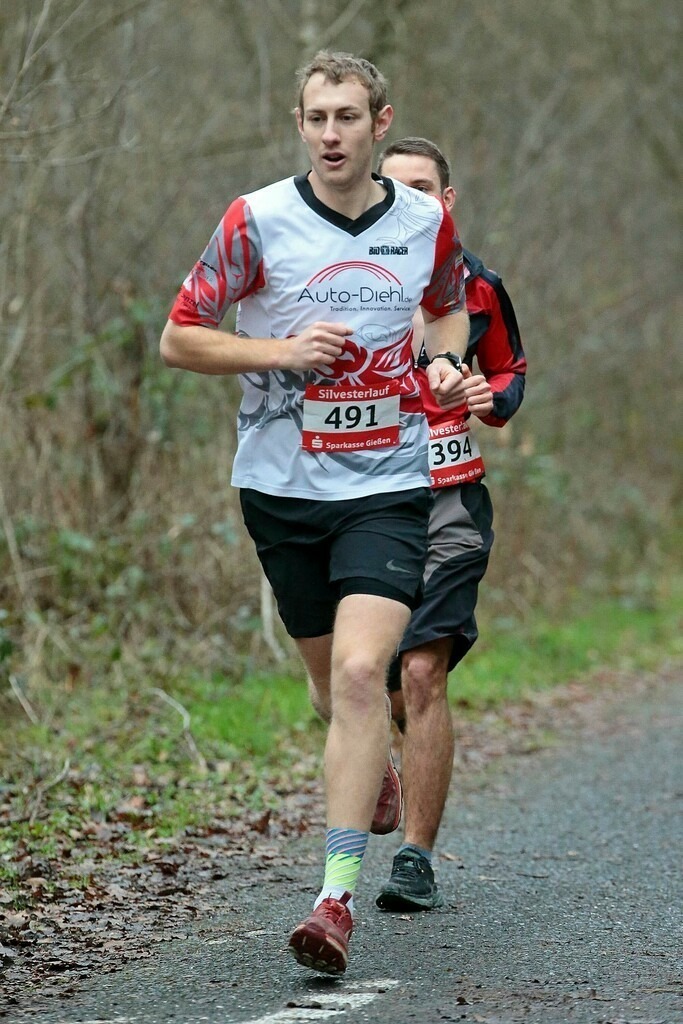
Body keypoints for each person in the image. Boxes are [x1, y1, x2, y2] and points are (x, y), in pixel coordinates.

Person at [159, 56, 470, 974]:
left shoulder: (423, 222)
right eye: (314, 118)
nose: (329, 134)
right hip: (281, 485)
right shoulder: (255, 219)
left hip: (387, 482)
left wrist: (445, 364)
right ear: (298, 125)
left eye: (346, 116)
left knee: (364, 670)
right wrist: (282, 349)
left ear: (381, 121)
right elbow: (180, 337)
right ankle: (363, 763)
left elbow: (447, 311)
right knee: (329, 683)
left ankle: (333, 901)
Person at [374, 137, 526, 911]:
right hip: (358, 498)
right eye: (394, 187)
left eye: (424, 187)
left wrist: (489, 401)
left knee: (422, 671)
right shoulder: (345, 281)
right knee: (366, 683)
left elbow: (509, 369)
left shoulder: (478, 286)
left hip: (450, 498)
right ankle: (380, 755)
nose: (411, 200)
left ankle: (414, 860)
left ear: (448, 197)